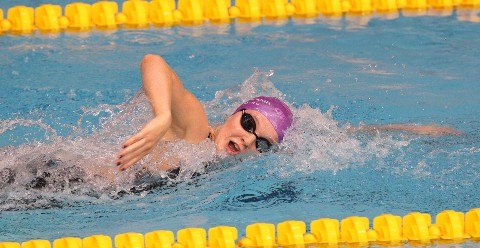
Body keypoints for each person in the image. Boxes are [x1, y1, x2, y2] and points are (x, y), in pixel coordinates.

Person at [115, 54, 460, 172]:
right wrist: (162, 117)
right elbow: (154, 62)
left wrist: (412, 131)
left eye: (262, 144)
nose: (248, 138)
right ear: (236, 113)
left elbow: (340, 138)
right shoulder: (195, 131)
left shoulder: (216, 161)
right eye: (248, 123)